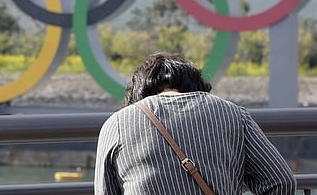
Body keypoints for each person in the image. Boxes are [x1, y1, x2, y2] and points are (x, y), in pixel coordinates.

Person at [94, 50, 296, 195]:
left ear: (139, 94)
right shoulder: (234, 114)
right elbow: (281, 182)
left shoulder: (117, 124)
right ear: (197, 86)